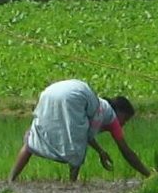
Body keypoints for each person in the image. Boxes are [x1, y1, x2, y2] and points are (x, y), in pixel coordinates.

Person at [8, 78, 149, 182]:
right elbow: (126, 152)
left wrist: (100, 151)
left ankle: (11, 179)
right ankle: (72, 184)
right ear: (120, 112)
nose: (123, 124)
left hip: (49, 92)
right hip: (73, 96)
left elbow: (84, 131)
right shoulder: (111, 117)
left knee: (33, 140)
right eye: (125, 119)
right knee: (76, 150)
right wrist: (149, 175)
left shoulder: (98, 107)